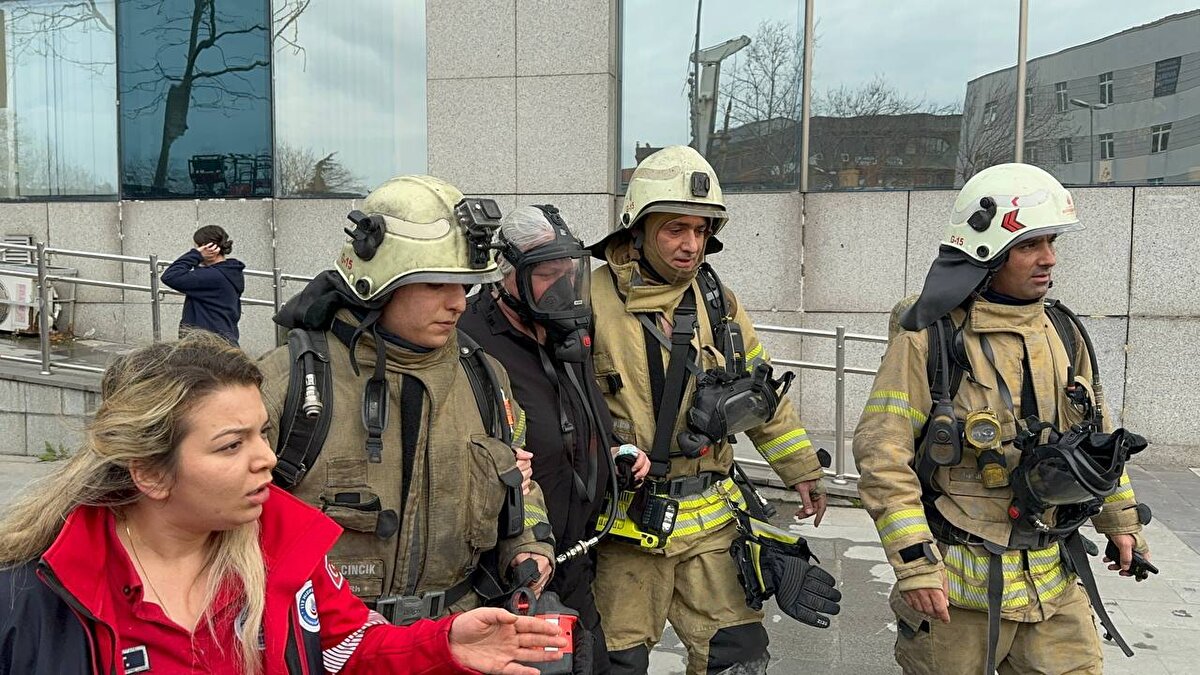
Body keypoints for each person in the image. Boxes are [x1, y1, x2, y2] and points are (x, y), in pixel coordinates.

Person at [0, 333, 568, 674]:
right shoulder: (30, 595)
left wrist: (443, 644)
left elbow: (346, 648)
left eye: (263, 434)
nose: (266, 460)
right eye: (231, 445)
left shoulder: (284, 546)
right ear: (150, 472)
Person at [853, 163, 1153, 675]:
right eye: (1030, 245)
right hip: (956, 598)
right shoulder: (930, 337)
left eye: (1051, 242)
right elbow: (883, 453)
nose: (1048, 259)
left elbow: (1098, 444)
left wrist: (1120, 523)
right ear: (986, 250)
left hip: (1054, 586)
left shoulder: (1063, 331)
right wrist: (915, 565)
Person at [259, 175, 556, 626]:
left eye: (465, 286)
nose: (458, 304)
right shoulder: (289, 382)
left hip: (453, 639)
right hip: (330, 643)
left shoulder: (486, 379)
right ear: (378, 284)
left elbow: (520, 480)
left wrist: (528, 547)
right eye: (437, 284)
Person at [587, 146, 833, 674]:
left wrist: (802, 470)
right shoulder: (586, 300)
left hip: (713, 528)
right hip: (627, 532)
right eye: (676, 229)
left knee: (740, 657)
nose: (691, 245)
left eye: (701, 231)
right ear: (639, 228)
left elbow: (761, 393)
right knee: (616, 663)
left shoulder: (719, 299)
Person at [460, 205, 652, 674]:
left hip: (577, 561)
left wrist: (611, 454)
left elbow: (582, 414)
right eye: (547, 274)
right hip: (513, 574)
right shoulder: (468, 335)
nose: (563, 285)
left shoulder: (568, 329)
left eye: (569, 272)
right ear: (506, 276)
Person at [161, 224, 246, 345]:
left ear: (208, 248)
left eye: (197, 247)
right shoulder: (228, 272)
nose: (195, 250)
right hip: (221, 344)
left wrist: (195, 255)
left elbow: (170, 276)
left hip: (208, 348)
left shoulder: (213, 277)